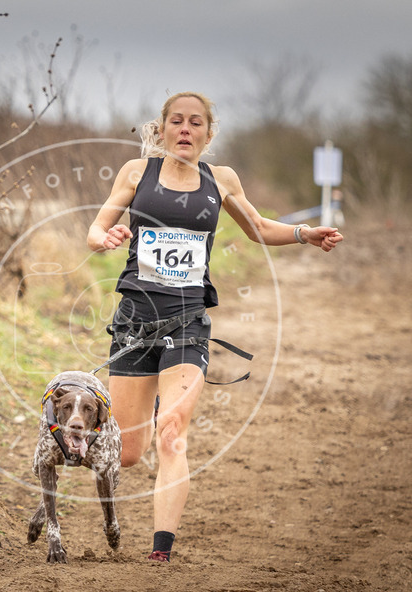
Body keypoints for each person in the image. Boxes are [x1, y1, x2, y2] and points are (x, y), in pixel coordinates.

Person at [86, 91, 344, 563]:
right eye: (176, 121)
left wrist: (303, 234)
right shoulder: (136, 173)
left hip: (188, 322)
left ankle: (161, 550)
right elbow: (95, 230)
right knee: (127, 453)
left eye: (195, 122)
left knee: (171, 431)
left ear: (208, 133)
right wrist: (107, 237)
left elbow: (258, 227)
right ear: (162, 129)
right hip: (135, 322)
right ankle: (105, 429)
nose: (185, 129)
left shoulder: (221, 179)